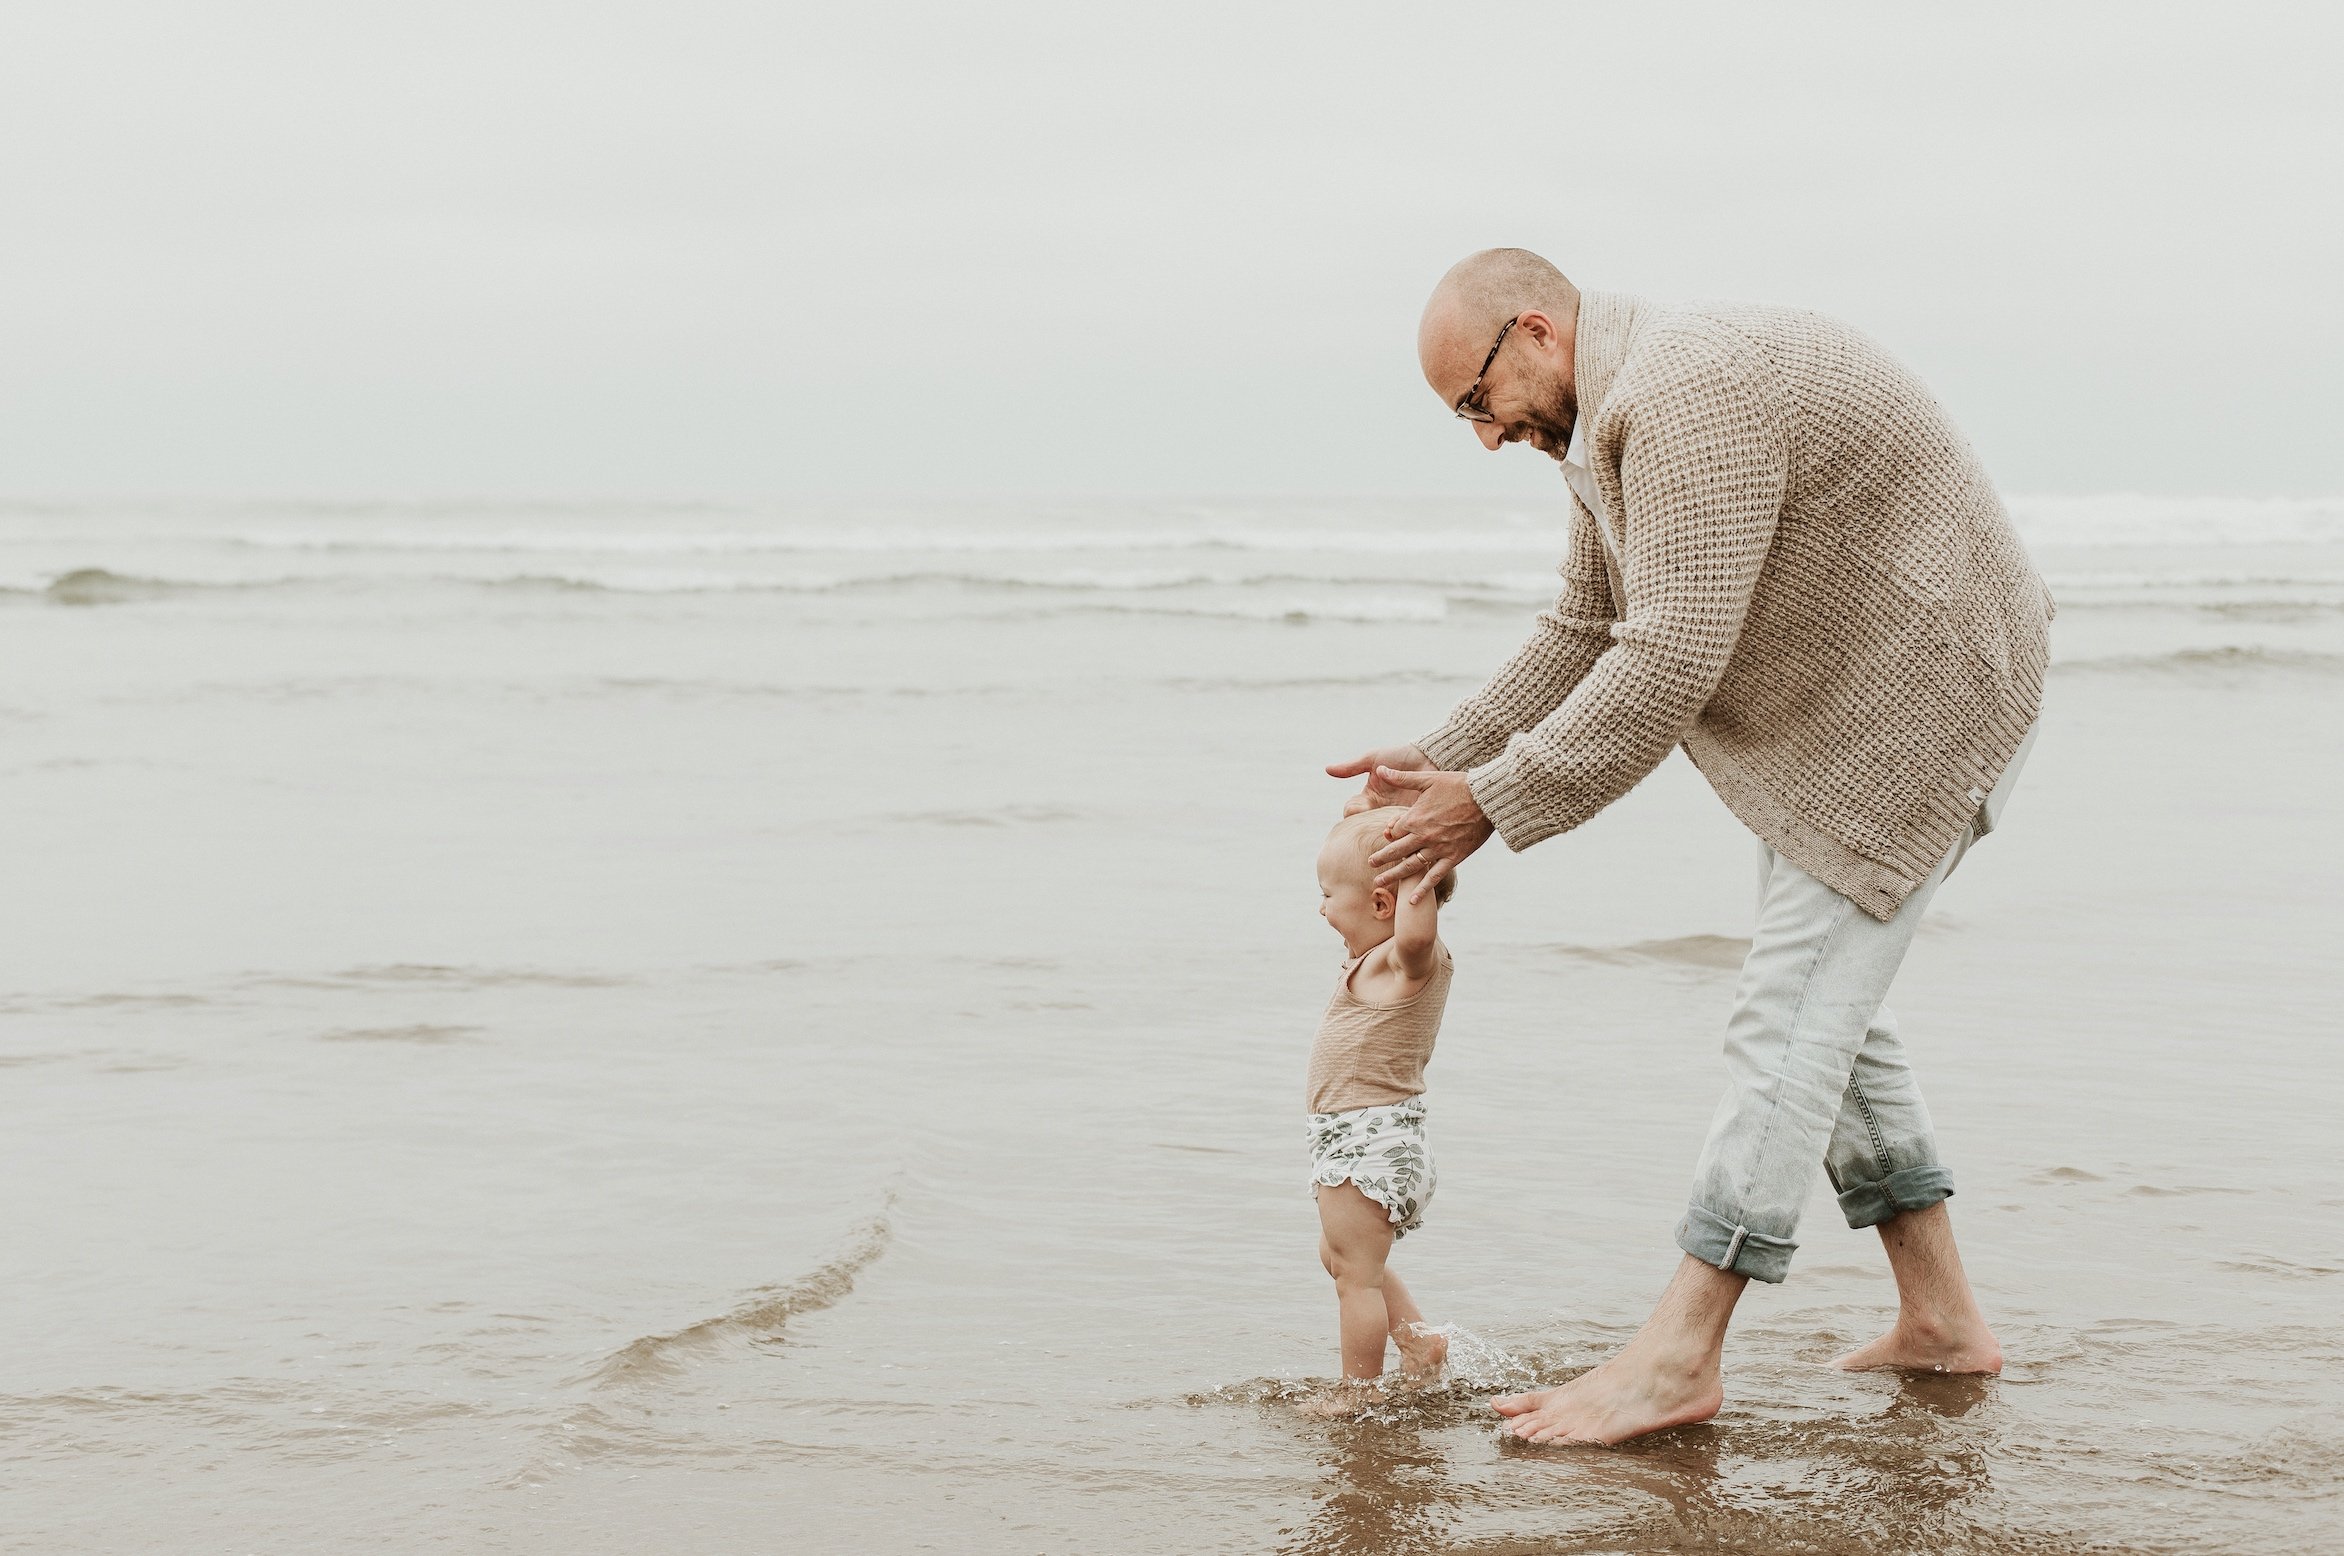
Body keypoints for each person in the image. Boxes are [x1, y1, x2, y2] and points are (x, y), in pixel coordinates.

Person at [1330, 248, 2053, 1445]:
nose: (1484, 434)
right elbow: (1585, 624)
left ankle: (1678, 1354)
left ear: (1535, 332)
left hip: (1929, 702)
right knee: (1830, 1014)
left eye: (1476, 399)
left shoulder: (1684, 393)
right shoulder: (1605, 421)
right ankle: (1940, 1319)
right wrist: (1437, 761)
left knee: (1784, 1018)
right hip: (1847, 714)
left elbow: (1666, 659)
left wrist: (1490, 803)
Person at [1301, 806, 1457, 1414]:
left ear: (1384, 904)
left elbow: (1418, 933)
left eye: (1327, 894)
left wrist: (1418, 870)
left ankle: (1357, 1395)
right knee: (1338, 1256)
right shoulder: (1375, 960)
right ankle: (1420, 1343)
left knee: (1356, 1278)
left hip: (1370, 1142)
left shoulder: (1404, 960)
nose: (1320, 908)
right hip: (1360, 1138)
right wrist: (1369, 816)